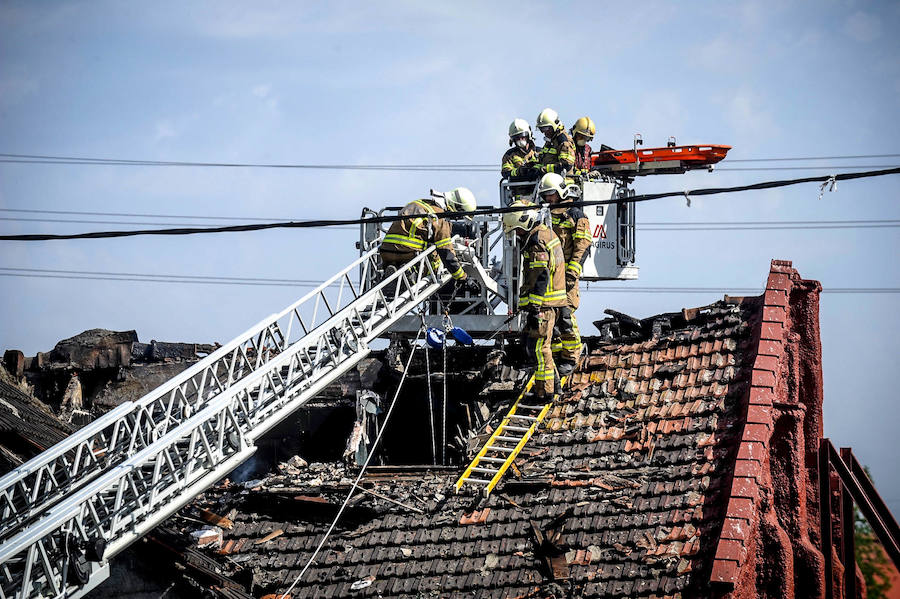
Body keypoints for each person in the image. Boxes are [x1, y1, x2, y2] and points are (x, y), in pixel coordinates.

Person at [502, 200, 567, 398]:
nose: (518, 234)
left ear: (526, 222)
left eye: (518, 230)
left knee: (539, 349)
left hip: (543, 306)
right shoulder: (545, 234)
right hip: (547, 304)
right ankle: (554, 386)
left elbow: (541, 276)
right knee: (540, 347)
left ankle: (546, 393)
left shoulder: (537, 241)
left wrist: (534, 308)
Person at [537, 173, 591, 373]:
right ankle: (557, 355)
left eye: (550, 194)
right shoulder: (544, 215)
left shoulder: (575, 215)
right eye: (545, 195)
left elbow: (582, 246)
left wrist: (572, 272)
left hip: (567, 274)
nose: (548, 198)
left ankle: (571, 356)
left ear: (560, 192)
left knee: (566, 315)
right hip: (550, 275)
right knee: (551, 317)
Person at [379, 188, 481, 294]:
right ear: (456, 208)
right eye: (457, 216)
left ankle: (390, 271)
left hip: (386, 252)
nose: (454, 219)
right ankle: (411, 274)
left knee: (404, 258)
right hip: (408, 254)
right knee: (434, 261)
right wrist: (462, 277)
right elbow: (446, 253)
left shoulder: (418, 204)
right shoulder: (439, 217)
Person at [535, 108, 575, 176]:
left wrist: (543, 169)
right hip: (549, 179)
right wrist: (533, 169)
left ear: (555, 125)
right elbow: (543, 162)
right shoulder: (551, 141)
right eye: (541, 129)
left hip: (563, 180)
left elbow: (566, 165)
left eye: (546, 128)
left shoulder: (563, 141)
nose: (544, 132)